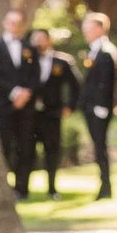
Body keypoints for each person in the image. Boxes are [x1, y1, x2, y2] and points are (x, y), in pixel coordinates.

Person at [0, 9, 39, 200]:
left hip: (26, 106)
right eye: (11, 22)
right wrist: (14, 92)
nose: (14, 26)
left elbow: (35, 75)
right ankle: (2, 188)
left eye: (18, 22)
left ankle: (22, 189)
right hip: (4, 104)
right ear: (5, 23)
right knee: (4, 146)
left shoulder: (30, 48)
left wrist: (26, 93)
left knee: (25, 146)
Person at [29, 28, 79, 199]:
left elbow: (76, 86)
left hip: (52, 114)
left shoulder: (62, 61)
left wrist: (69, 107)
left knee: (52, 151)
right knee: (27, 151)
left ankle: (52, 188)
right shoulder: (26, 61)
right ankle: (22, 190)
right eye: (34, 39)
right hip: (30, 115)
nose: (38, 43)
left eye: (41, 39)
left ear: (48, 41)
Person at [80, 11, 117, 200]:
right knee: (98, 147)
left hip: (99, 109)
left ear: (99, 29)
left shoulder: (105, 51)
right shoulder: (95, 49)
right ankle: (104, 185)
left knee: (100, 147)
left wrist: (101, 107)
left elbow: (106, 82)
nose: (85, 31)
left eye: (88, 27)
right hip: (92, 107)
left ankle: (106, 187)